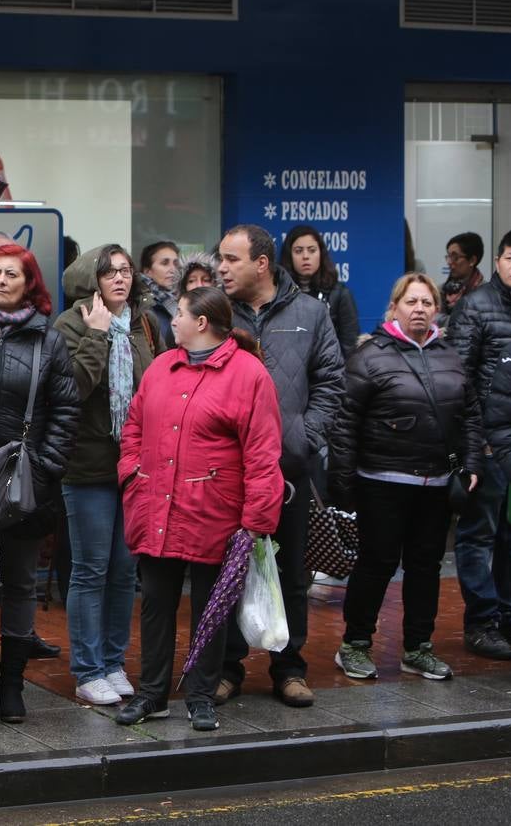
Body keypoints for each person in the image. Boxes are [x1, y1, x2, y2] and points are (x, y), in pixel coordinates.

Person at [115, 288, 284, 731]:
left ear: (201, 323)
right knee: (155, 604)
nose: (172, 322)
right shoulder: (161, 367)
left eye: (179, 315)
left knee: (212, 606)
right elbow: (134, 425)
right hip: (156, 505)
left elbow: (263, 453)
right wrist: (132, 472)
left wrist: (255, 523)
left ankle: (201, 695)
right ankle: (152, 693)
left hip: (216, 514)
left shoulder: (249, 374)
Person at [215, 224, 344, 708]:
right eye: (220, 259)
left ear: (262, 264)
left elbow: (332, 380)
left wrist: (305, 437)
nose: (222, 267)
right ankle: (227, 668)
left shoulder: (310, 313)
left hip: (288, 469)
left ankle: (289, 668)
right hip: (227, 470)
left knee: (292, 572)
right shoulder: (217, 313)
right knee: (229, 569)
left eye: (231, 259)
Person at [0, 243, 80, 726]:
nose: (2, 281)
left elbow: (65, 409)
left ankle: (12, 685)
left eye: (13, 275)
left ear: (31, 284)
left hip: (29, 477)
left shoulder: (50, 340)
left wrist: (46, 466)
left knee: (22, 584)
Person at [331, 273, 481, 682]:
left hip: (434, 485)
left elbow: (470, 416)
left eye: (427, 303)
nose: (419, 309)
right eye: (411, 302)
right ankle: (354, 644)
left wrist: (470, 465)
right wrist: (342, 483)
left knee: (425, 568)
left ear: (437, 310)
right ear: (394, 307)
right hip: (382, 482)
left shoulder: (450, 355)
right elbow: (344, 424)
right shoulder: (370, 355)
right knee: (376, 565)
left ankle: (418, 647)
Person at [54, 244, 162, 706]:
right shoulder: (70, 325)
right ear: (90, 280)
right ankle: (88, 668)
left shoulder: (144, 325)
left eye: (125, 270)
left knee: (124, 570)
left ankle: (114, 663)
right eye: (108, 272)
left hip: (135, 465)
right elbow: (73, 389)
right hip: (88, 466)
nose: (119, 278)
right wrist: (98, 336)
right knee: (90, 570)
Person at [446, 228, 511, 659]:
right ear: (496, 262)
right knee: (479, 535)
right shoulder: (476, 307)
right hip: (488, 444)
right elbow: (460, 378)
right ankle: (481, 623)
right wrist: (473, 444)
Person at [280, 225, 360, 354]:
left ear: (321, 254)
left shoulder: (339, 294)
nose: (305, 256)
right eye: (298, 251)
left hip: (330, 370)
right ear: (289, 256)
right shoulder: (279, 293)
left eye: (312, 250)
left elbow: (350, 347)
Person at [139, 241, 181, 348]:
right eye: (165, 263)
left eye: (175, 264)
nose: (173, 269)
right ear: (148, 271)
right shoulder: (141, 304)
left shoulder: (182, 300)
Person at [442, 232, 485, 315]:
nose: (449, 262)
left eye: (455, 257)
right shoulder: (441, 290)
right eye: (449, 256)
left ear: (472, 260)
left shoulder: (485, 293)